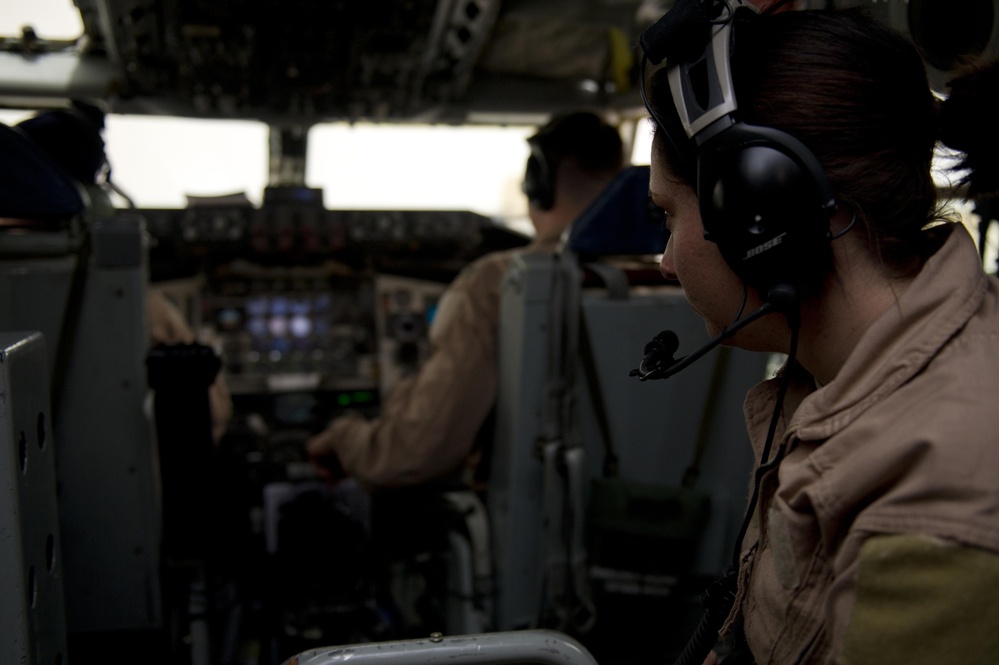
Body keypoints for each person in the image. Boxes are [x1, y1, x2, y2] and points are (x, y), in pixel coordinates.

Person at [641, 1, 999, 664]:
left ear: (758, 209)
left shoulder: (935, 484)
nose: (664, 261)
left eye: (667, 215)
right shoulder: (837, 382)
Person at [306, 111, 625, 490]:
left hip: (529, 528)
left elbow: (412, 456)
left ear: (537, 184)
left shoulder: (499, 284)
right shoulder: (673, 276)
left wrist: (343, 438)